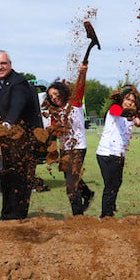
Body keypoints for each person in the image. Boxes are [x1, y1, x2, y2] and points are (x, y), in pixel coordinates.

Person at [0, 50, 42, 220]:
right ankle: (7, 215)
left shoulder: (19, 82)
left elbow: (17, 106)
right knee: (6, 178)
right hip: (6, 143)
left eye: (3, 64)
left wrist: (5, 126)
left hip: (24, 140)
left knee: (21, 179)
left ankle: (18, 216)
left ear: (10, 65)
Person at [45, 64, 95, 216]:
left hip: (78, 147)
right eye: (51, 96)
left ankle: (78, 217)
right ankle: (87, 193)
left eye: (55, 93)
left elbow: (80, 87)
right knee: (70, 178)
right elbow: (54, 130)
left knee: (71, 185)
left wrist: (83, 73)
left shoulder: (75, 102)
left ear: (62, 91)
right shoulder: (55, 112)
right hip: (64, 149)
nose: (54, 97)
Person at [96, 86, 140, 218]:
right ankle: (105, 215)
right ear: (122, 99)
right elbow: (121, 113)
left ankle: (110, 209)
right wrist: (134, 114)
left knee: (116, 183)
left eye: (133, 101)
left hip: (119, 154)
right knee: (110, 185)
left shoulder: (130, 116)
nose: (130, 103)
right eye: (127, 99)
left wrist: (138, 117)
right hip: (106, 153)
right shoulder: (115, 108)